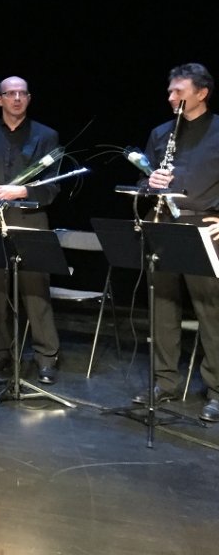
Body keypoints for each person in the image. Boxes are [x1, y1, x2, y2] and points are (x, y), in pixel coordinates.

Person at [130, 63, 219, 422]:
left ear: (202, 93)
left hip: (205, 229)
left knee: (211, 312)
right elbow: (142, 184)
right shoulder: (160, 133)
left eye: (179, 91)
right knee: (162, 306)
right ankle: (165, 381)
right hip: (164, 225)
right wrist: (149, 184)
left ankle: (216, 390)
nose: (171, 98)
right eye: (170, 91)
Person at [0, 76, 63, 384]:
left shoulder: (46, 135)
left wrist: (21, 193)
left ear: (29, 98)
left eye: (22, 93)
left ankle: (46, 357)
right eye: (10, 93)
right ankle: (1, 352)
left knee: (35, 288)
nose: (16, 98)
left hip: (30, 221)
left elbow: (53, 186)